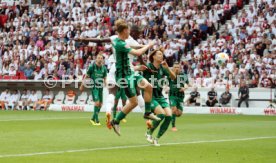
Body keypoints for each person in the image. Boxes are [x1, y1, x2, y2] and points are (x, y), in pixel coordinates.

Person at [77, 25, 150, 129]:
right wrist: (148, 47)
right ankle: (147, 118)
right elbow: (139, 53)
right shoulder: (133, 42)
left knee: (112, 93)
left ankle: (108, 111)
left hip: (114, 69)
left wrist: (85, 39)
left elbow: (100, 40)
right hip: (128, 70)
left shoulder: (115, 38)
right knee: (137, 94)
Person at [109, 19, 160, 136]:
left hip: (131, 72)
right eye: (128, 31)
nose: (129, 33)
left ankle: (147, 113)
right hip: (123, 77)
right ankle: (115, 121)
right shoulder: (120, 43)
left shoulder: (122, 41)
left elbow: (135, 46)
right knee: (133, 102)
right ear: (124, 31)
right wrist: (149, 45)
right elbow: (137, 53)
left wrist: (137, 68)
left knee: (148, 87)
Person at [143, 48, 176, 146]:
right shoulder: (148, 66)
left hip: (159, 96)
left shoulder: (162, 68)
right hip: (150, 95)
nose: (161, 56)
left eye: (162, 54)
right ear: (153, 56)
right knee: (161, 115)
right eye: (159, 54)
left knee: (169, 116)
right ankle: (148, 133)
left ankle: (156, 139)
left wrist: (167, 68)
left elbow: (173, 77)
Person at [80, 54, 107, 126]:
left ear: (102, 59)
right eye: (98, 58)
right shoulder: (92, 67)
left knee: (101, 104)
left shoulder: (104, 68)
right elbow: (86, 76)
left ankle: (92, 118)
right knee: (97, 102)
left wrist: (106, 85)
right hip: (94, 87)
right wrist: (82, 85)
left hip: (101, 87)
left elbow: (105, 78)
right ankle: (97, 120)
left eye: (101, 58)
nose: (100, 59)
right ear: (96, 59)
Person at [169, 62, 189, 132]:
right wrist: (166, 87)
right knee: (174, 110)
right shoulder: (170, 75)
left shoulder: (183, 75)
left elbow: (187, 84)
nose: (176, 69)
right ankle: (173, 126)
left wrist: (184, 88)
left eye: (178, 67)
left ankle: (170, 114)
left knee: (179, 113)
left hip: (180, 96)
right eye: (175, 67)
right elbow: (165, 83)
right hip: (172, 95)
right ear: (173, 68)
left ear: (180, 68)